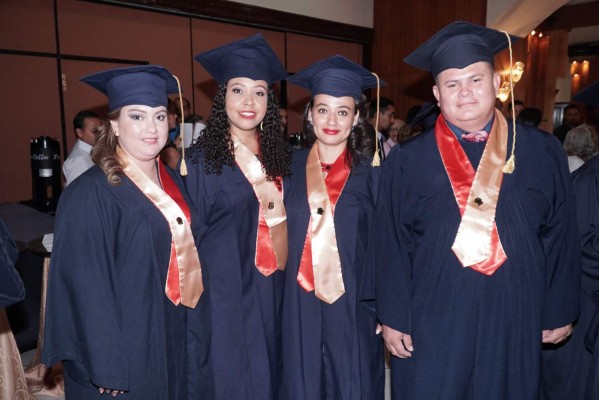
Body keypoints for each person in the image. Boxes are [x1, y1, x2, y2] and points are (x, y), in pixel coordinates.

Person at [374, 21, 580, 400]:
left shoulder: (542, 150)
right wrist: (393, 316)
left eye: (475, 80)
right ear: (437, 93)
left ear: (498, 84)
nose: (464, 92)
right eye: (452, 84)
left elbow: (562, 234)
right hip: (433, 313)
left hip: (517, 311)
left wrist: (559, 307)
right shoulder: (406, 160)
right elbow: (390, 243)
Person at [42, 65, 203, 399]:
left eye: (160, 116)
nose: (152, 128)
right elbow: (85, 287)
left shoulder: (172, 180)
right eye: (137, 116)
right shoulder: (89, 194)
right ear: (113, 124)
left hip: (172, 327)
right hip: (125, 348)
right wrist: (107, 361)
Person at [183, 34, 290, 399]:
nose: (249, 102)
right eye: (238, 90)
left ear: (269, 102)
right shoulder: (198, 163)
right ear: (222, 97)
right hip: (224, 295)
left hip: (274, 291)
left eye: (259, 92)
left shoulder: (282, 158)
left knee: (273, 373)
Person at [281, 55, 384, 399]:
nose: (332, 120)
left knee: (352, 379)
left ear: (356, 118)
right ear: (309, 113)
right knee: (301, 380)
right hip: (297, 297)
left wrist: (386, 307)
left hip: (354, 299)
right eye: (323, 109)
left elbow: (386, 246)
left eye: (343, 111)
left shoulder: (373, 174)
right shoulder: (286, 168)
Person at [62, 110, 101, 185]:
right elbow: (76, 194)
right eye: (94, 131)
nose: (99, 134)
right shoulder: (78, 160)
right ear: (79, 132)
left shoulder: (91, 152)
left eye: (100, 130)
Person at [368, 97, 395, 161]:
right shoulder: (367, 138)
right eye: (390, 116)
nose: (393, 121)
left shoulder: (379, 137)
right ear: (378, 115)